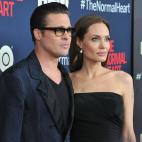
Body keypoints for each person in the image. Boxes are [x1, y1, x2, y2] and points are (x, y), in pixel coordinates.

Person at [0, 2, 74, 142]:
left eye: (69, 30)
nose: (67, 36)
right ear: (38, 33)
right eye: (59, 30)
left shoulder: (66, 76)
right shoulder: (16, 79)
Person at [69, 15, 136, 142]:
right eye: (95, 39)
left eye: (107, 39)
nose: (103, 46)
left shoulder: (123, 79)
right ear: (79, 42)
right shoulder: (67, 81)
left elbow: (128, 133)